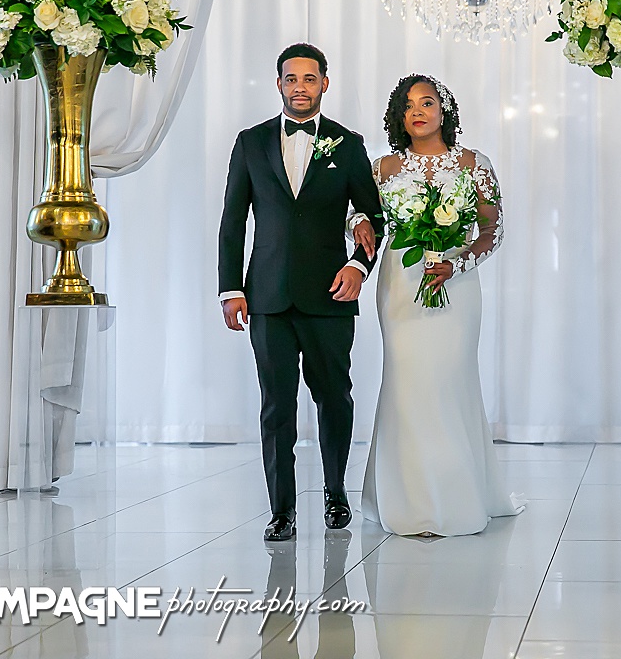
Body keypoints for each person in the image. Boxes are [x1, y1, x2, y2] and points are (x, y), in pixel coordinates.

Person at [218, 43, 384, 542]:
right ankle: (281, 510)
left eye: (309, 79)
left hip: (331, 296)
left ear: (324, 84)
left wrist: (358, 266)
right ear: (279, 84)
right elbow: (232, 222)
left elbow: (372, 217)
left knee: (335, 399)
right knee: (276, 406)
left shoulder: (347, 144)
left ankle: (336, 494)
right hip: (266, 297)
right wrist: (230, 289)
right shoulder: (250, 143)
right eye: (291, 79)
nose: (300, 87)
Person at [360, 75, 522, 537]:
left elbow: (492, 231)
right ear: (398, 117)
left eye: (427, 103)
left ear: (443, 110)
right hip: (402, 283)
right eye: (408, 105)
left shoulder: (474, 164)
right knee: (407, 381)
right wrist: (358, 223)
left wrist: (458, 263)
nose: (418, 112)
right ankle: (409, 499)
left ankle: (455, 495)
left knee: (449, 380)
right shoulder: (382, 168)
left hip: (457, 284)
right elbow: (361, 213)